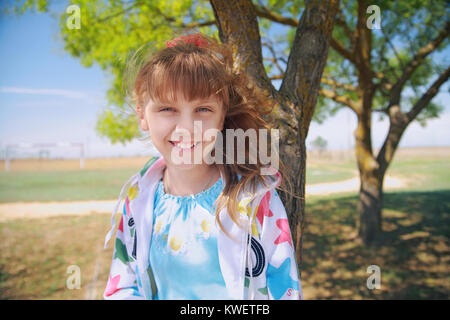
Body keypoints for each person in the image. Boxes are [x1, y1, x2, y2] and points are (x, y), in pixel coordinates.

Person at [103, 33, 303, 300]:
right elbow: (122, 286)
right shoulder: (137, 199)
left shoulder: (255, 197)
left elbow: (285, 291)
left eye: (203, 110)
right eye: (167, 109)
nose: (187, 128)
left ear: (222, 117)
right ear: (143, 115)